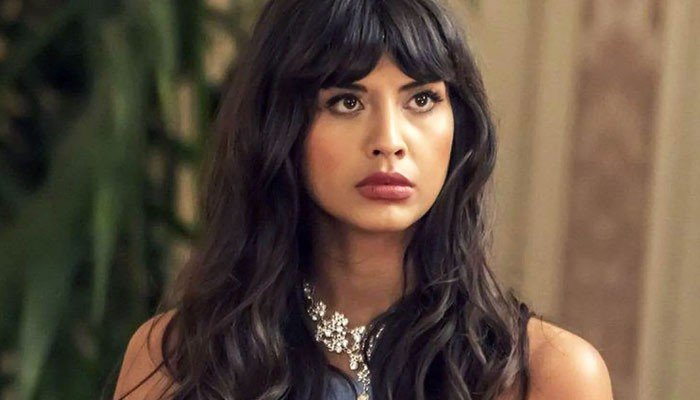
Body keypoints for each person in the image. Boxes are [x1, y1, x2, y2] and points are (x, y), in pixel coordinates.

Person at [112, 0, 614, 399]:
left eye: (421, 99)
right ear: (280, 127)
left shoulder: (548, 376)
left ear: (459, 126)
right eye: (346, 102)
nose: (389, 141)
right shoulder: (176, 362)